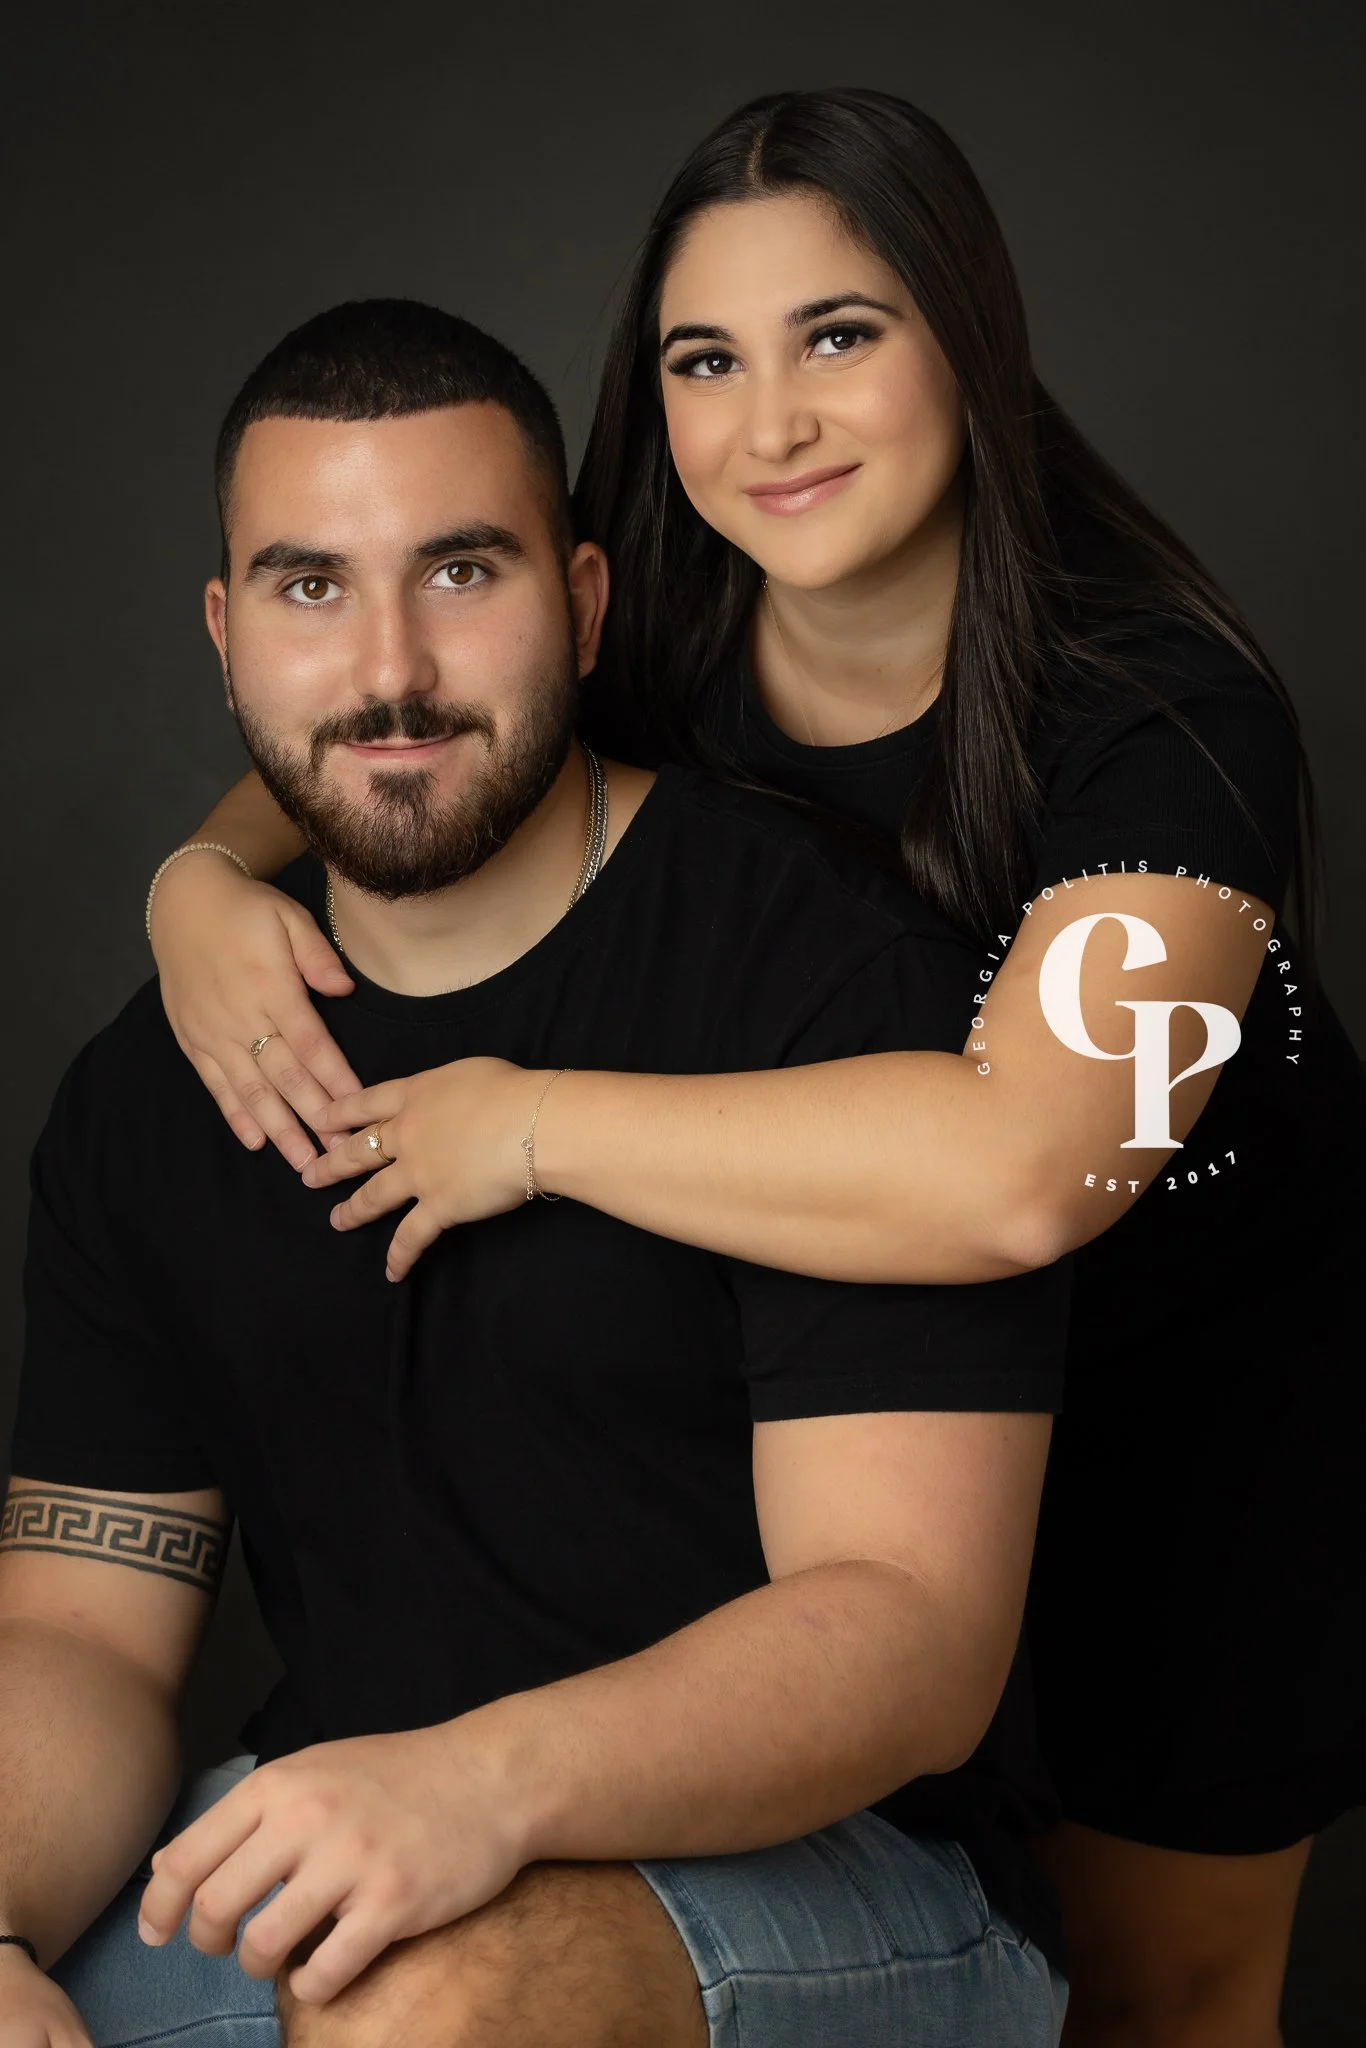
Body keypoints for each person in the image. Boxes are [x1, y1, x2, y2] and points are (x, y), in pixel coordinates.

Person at [146, 89, 1366, 2048]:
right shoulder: (667, 644)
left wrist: (526, 1126)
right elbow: (410, 710)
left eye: (839, 336)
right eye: (703, 360)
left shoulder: (1164, 712)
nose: (767, 423)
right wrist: (203, 873)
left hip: (1192, 1414)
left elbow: (1023, 1168)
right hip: (880, 1426)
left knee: (1144, 2002)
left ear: (965, 336)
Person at [0, 300, 1072, 2048]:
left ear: (578, 601)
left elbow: (907, 1630)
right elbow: (86, 1637)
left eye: (463, 572)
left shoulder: (817, 973)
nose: (391, 669)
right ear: (223, 635)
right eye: (308, 588)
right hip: (342, 1834)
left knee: (435, 2003)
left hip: (841, 1878)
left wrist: (478, 1789)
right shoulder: (152, 1088)